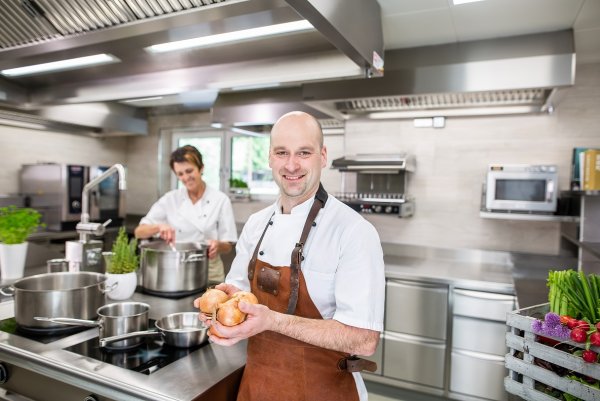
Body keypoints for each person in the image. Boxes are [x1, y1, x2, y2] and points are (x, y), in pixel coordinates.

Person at [194, 111, 385, 401]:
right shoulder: (256, 224)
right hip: (257, 386)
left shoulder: (354, 231)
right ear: (270, 158)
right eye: (282, 152)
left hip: (325, 391)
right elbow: (239, 296)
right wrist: (221, 310)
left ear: (322, 156)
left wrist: (272, 321)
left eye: (304, 153)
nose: (292, 165)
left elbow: (364, 338)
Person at [135, 145, 237, 283]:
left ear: (201, 168)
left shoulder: (220, 200)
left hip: (209, 270)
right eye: (180, 174)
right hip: (176, 268)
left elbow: (228, 246)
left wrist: (217, 245)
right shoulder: (170, 199)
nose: (185, 177)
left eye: (189, 171)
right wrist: (159, 227)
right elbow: (139, 232)